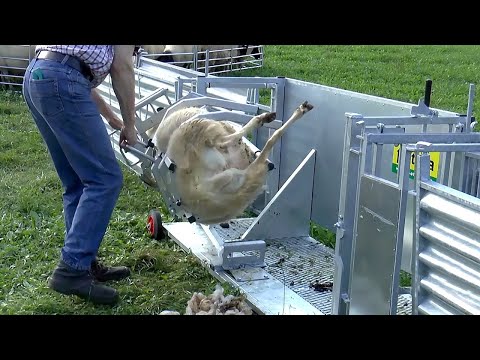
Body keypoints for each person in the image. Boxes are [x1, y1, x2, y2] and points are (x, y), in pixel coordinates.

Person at [22, 45, 139, 306]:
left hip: (39, 75)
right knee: (105, 179)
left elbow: (73, 69)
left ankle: (83, 263)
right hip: (60, 79)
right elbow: (121, 67)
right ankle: (72, 269)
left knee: (76, 180)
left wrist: (112, 118)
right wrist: (130, 125)